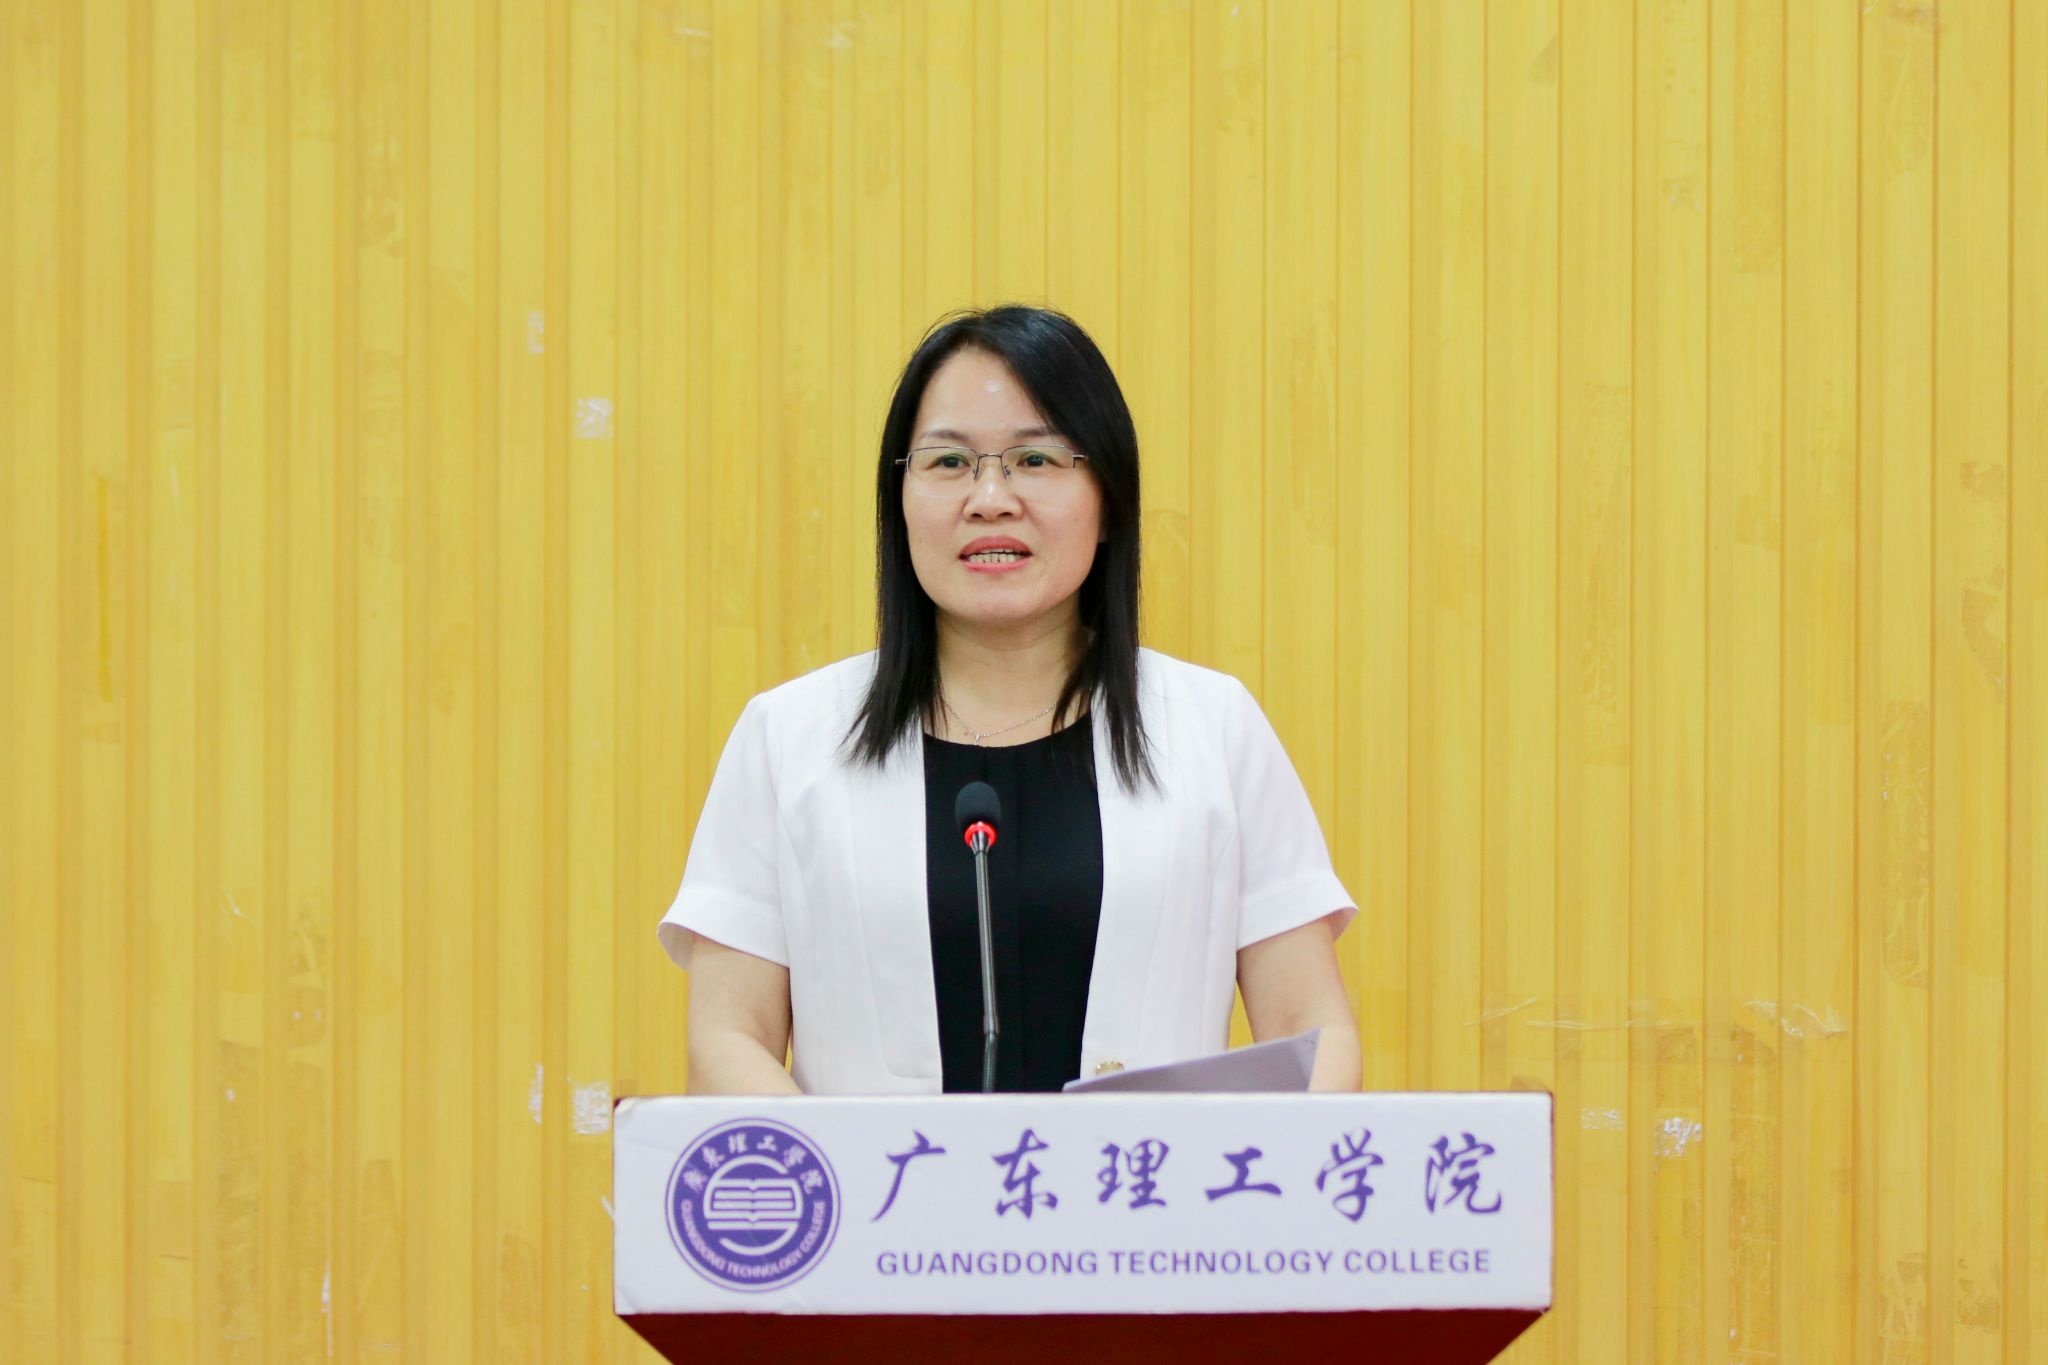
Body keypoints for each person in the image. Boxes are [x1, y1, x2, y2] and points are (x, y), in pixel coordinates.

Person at [661, 304, 1360, 1095]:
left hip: (1148, 1181)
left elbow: (1314, 1029)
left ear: (1108, 500)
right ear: (899, 500)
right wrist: (841, 1171)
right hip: (881, 1180)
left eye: (1034, 459)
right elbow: (726, 1036)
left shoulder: (1213, 728)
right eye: (949, 462)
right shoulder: (788, 737)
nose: (990, 497)